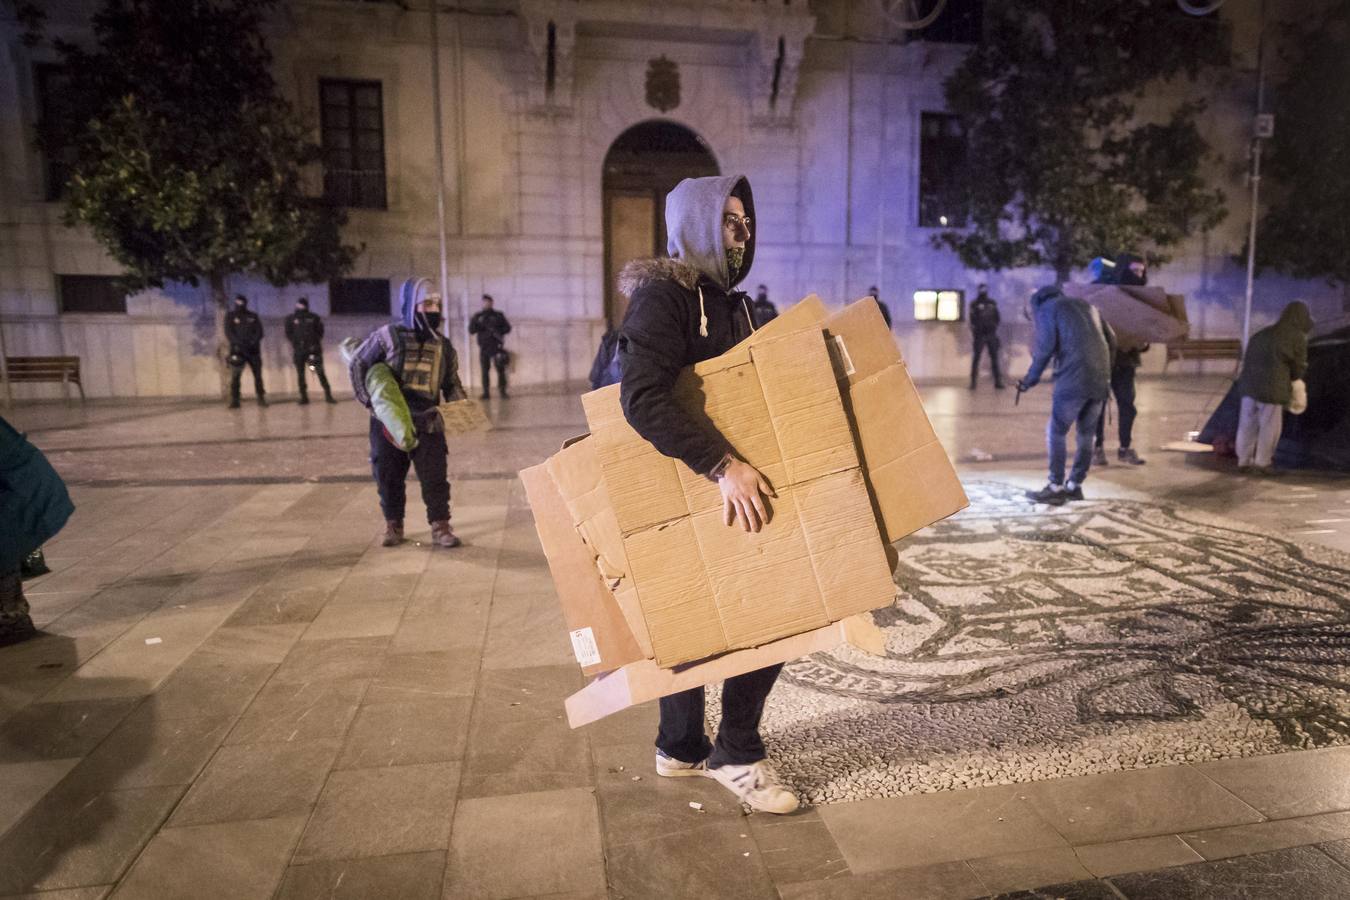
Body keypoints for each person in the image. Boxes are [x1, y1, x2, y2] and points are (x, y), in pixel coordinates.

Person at [616, 174, 798, 815]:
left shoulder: (735, 303)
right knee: (775, 601)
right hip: (692, 481)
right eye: (727, 221)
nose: (740, 235)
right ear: (695, 223)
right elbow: (638, 395)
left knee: (699, 611)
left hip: (712, 485)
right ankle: (737, 752)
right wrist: (722, 466)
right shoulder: (665, 296)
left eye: (745, 223)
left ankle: (682, 747)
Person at [348, 280, 467, 548]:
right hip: (388, 422)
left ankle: (440, 526)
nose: (433, 309)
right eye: (426, 304)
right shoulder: (386, 336)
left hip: (429, 420)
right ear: (410, 305)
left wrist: (462, 411)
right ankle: (394, 524)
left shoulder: (443, 345)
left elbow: (450, 382)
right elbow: (359, 363)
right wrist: (370, 403)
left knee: (435, 477)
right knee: (388, 476)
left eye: (436, 304)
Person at [1018, 285, 1115, 505]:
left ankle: (1055, 486)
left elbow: (1044, 349)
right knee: (1086, 435)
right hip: (1100, 381)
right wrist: (1106, 373)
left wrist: (1029, 380)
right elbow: (1113, 341)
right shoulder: (1088, 306)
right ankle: (1075, 486)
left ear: (1037, 302)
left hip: (1072, 381)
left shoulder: (1047, 309)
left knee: (1056, 431)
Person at [1, 415, 74, 646]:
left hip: (18, 490)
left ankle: (10, 618)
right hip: (18, 487)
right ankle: (11, 615)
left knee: (7, 536)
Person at [1235, 301, 1313, 475]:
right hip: (1272, 389)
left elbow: (1246, 358)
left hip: (1248, 386)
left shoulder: (1262, 333)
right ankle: (1263, 463)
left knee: (1246, 424)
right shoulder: (1297, 337)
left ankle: (1243, 461)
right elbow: (1298, 368)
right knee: (1269, 427)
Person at [1093, 344, 1147, 466]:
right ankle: (1097, 448)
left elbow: (1143, 336)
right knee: (1097, 407)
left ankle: (1125, 448)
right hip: (1100, 362)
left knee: (1127, 407)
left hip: (1125, 363)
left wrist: (1141, 343)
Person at [284, 297, 336, 405]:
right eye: (300, 304)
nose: (301, 306)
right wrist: (296, 343)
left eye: (303, 305)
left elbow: (320, 332)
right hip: (299, 351)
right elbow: (288, 333)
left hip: (313, 351)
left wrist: (314, 343)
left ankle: (328, 394)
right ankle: (303, 397)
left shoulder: (314, 317)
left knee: (319, 371)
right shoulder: (291, 318)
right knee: (301, 374)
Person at [225, 294, 266, 408]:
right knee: (236, 376)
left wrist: (252, 342)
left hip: (253, 351)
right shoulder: (231, 316)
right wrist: (239, 343)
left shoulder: (253, 316)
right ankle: (235, 400)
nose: (240, 305)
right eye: (238, 302)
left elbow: (259, 332)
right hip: (238, 351)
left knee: (257, 375)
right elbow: (229, 332)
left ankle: (261, 397)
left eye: (242, 302)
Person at [469, 294, 512, 400]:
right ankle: (486, 393)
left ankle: (502, 392)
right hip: (484, 347)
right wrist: (478, 325)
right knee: (485, 370)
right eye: (484, 302)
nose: (487, 304)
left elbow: (507, 328)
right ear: (482, 303)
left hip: (497, 346)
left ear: (492, 303)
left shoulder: (498, 315)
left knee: (500, 370)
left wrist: (497, 331)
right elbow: (471, 330)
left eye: (488, 302)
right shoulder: (478, 316)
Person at [968, 283, 1004, 389]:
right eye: (981, 289)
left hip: (991, 334)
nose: (983, 291)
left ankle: (998, 381)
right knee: (976, 358)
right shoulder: (974, 304)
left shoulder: (992, 303)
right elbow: (972, 319)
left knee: (994, 358)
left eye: (984, 289)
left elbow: (997, 317)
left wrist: (993, 327)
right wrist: (976, 330)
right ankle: (973, 382)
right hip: (979, 335)